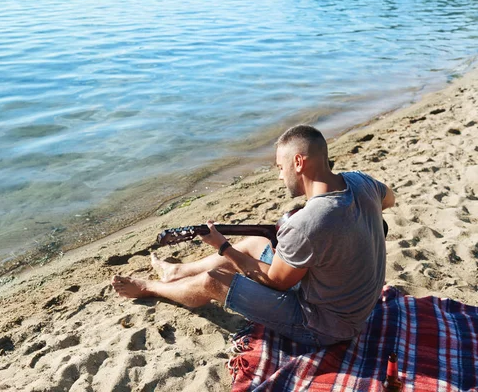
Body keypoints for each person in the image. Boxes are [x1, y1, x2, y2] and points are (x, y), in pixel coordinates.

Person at [112, 125, 395, 346]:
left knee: (213, 280)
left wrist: (223, 247)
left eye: (280, 168)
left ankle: (149, 288)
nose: (279, 176)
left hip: (326, 326)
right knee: (257, 243)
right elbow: (389, 200)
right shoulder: (362, 182)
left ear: (298, 162)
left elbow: (276, 283)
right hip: (356, 303)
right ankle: (177, 272)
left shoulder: (309, 223)